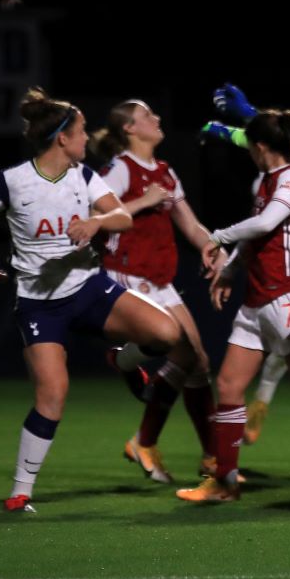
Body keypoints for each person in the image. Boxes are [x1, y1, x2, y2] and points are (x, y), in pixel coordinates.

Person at [0, 88, 180, 512]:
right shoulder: (12, 181)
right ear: (62, 138)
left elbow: (124, 216)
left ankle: (126, 362)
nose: (86, 138)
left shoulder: (84, 176)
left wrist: (95, 222)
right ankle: (20, 491)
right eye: (80, 132)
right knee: (53, 394)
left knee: (166, 333)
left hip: (88, 289)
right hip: (40, 304)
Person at [176, 110, 290, 502]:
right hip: (257, 300)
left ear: (260, 147)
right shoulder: (266, 181)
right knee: (229, 385)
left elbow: (267, 223)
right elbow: (256, 236)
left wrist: (216, 237)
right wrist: (231, 272)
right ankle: (225, 482)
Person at [87, 99, 221, 484]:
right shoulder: (117, 169)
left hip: (160, 281)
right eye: (147, 115)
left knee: (199, 363)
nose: (157, 118)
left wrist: (213, 247)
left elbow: (191, 225)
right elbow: (96, 217)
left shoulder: (165, 172)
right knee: (186, 356)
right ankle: (161, 439)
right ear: (129, 129)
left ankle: (194, 453)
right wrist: (143, 201)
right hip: (126, 277)